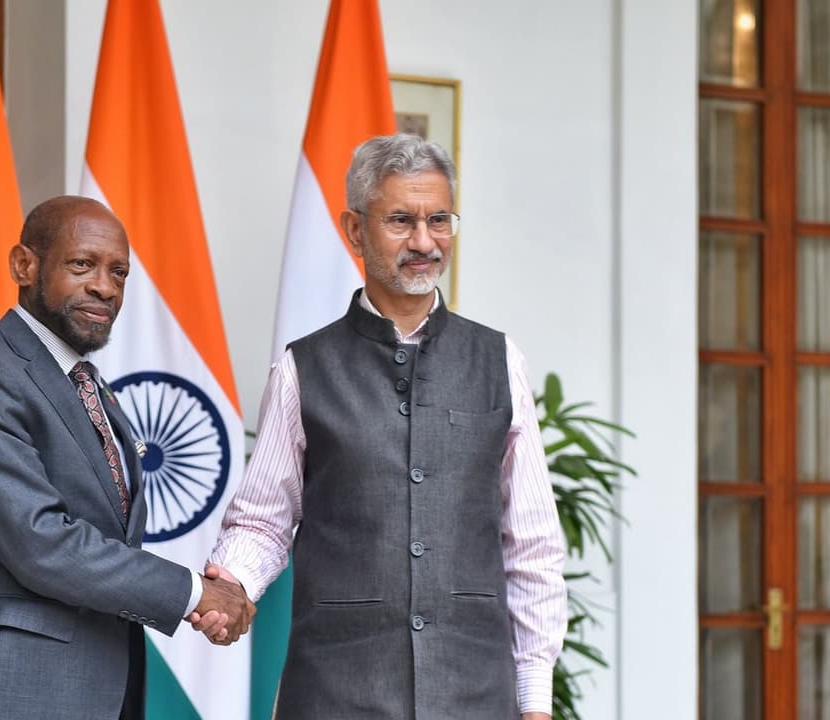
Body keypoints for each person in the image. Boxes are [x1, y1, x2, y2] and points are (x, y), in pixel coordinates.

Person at [201, 134, 567, 719]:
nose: (424, 242)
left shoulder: (499, 361)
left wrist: (534, 700)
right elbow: (264, 519)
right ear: (353, 230)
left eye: (439, 220)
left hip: (473, 695)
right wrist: (233, 583)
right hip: (337, 692)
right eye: (401, 220)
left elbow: (533, 546)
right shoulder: (304, 368)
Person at [0, 195, 253, 720]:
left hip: (91, 689)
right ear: (25, 265)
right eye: (81, 265)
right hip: (3, 692)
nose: (105, 287)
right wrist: (193, 593)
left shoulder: (85, 382)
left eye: (119, 273)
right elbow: (40, 541)